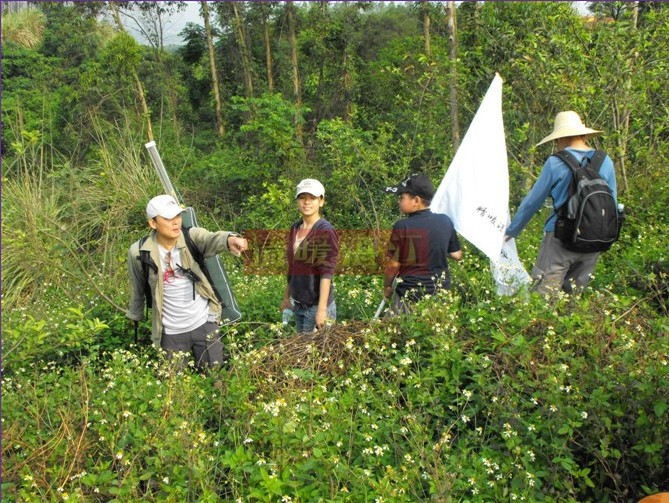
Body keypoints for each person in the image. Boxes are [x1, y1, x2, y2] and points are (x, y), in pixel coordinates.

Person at [127, 194, 248, 368]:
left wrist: (231, 239)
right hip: (170, 333)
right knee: (175, 387)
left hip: (204, 322)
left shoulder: (191, 236)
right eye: (168, 218)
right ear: (153, 223)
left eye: (177, 215)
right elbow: (137, 287)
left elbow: (211, 238)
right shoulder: (139, 252)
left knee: (216, 378)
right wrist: (135, 315)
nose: (176, 222)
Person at [505, 111, 617, 295]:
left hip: (560, 236)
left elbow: (533, 201)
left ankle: (540, 323)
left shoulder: (555, 162)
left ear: (561, 138)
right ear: (582, 134)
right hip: (595, 237)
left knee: (543, 291)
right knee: (575, 295)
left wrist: (512, 230)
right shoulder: (605, 161)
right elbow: (612, 202)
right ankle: (571, 322)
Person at [383, 173, 463, 314]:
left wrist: (387, 287)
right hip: (440, 295)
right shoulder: (445, 221)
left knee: (397, 333)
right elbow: (456, 255)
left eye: (402, 198)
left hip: (409, 296)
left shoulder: (402, 226)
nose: (399, 201)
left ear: (416, 200)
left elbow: (393, 264)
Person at [281, 179, 339, 332]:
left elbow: (327, 273)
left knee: (315, 354)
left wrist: (321, 310)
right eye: (302, 197)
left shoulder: (324, 230)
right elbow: (293, 267)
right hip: (298, 304)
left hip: (316, 307)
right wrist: (287, 297)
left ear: (321, 201)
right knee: (303, 353)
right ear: (297, 201)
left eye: (312, 198)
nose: (306, 202)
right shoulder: (295, 227)